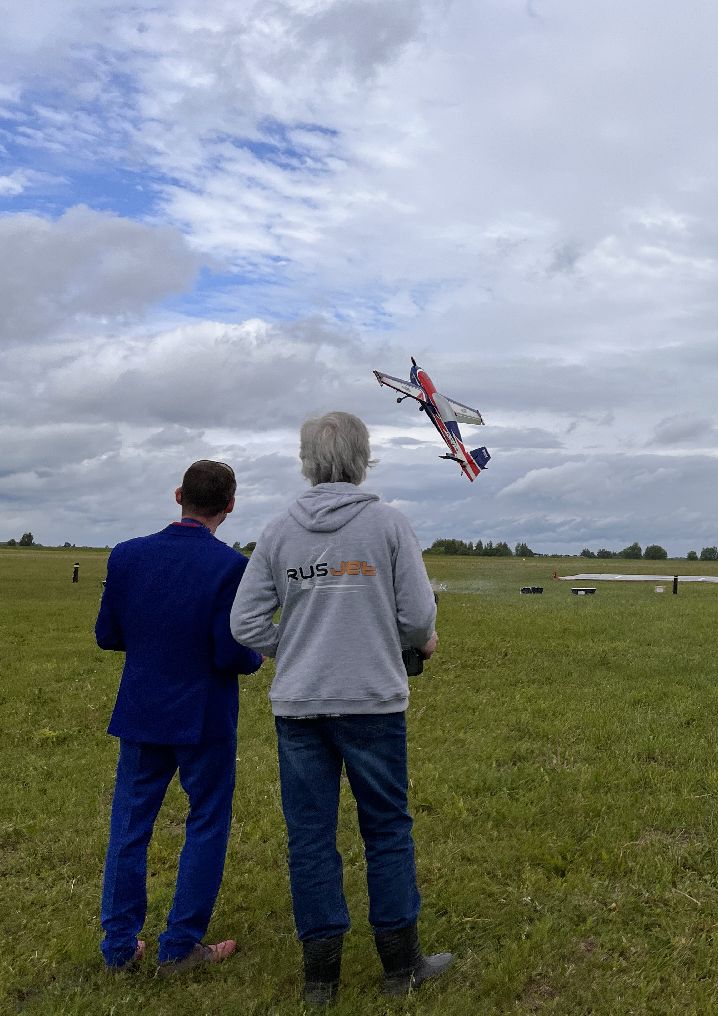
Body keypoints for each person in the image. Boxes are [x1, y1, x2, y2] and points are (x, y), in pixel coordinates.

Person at [230, 412, 452, 1005]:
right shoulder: (389, 524)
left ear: (307, 461)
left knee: (309, 837)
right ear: (362, 459)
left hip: (299, 706)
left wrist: (293, 646)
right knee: (386, 828)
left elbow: (244, 622)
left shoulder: (278, 531)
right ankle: (401, 965)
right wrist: (403, 641)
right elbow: (418, 618)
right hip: (373, 701)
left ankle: (320, 979)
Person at [95, 459, 264, 973]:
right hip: (204, 716)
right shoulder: (230, 566)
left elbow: (108, 635)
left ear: (178, 495)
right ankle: (181, 945)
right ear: (230, 506)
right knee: (207, 821)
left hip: (142, 710)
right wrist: (255, 657)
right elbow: (231, 653)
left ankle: (119, 947)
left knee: (129, 826)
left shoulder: (127, 555)